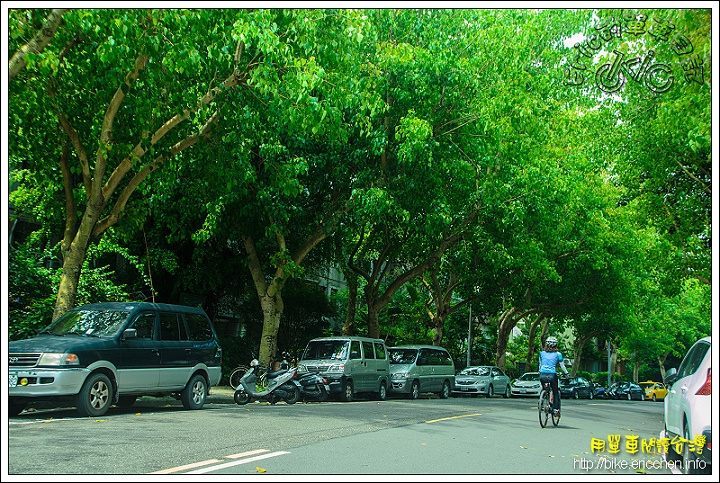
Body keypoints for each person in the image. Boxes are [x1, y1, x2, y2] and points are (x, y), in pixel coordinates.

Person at [538, 336, 569, 415]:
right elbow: (562, 366)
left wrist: (540, 372)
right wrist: (566, 373)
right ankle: (555, 410)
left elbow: (540, 365)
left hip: (542, 374)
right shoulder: (558, 354)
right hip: (552, 375)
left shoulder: (541, 353)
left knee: (544, 387)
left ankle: (542, 400)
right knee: (555, 392)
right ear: (556, 345)